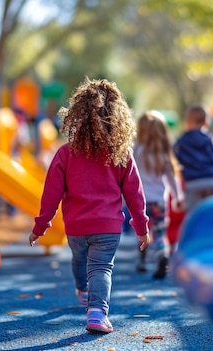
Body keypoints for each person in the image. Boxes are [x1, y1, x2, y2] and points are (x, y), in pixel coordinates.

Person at [28, 77, 150, 335]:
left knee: (80, 259)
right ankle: (97, 311)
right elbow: (134, 193)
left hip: (76, 226)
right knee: (101, 268)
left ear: (77, 117)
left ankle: (83, 290)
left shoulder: (66, 153)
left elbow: (51, 192)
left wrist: (41, 225)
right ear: (118, 119)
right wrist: (141, 226)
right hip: (108, 226)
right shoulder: (121, 153)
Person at [133, 110, 183, 279]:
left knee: (141, 231)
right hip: (158, 202)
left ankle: (141, 261)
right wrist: (177, 197)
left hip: (139, 202)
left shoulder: (136, 150)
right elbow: (171, 178)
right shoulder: (163, 153)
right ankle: (162, 255)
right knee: (159, 233)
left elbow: (128, 175)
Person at [173, 105, 213, 215]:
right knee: (212, 213)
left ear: (187, 122)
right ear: (207, 122)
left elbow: (175, 160)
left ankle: (194, 231)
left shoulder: (181, 141)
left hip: (193, 182)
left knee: (193, 216)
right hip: (212, 181)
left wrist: (182, 174)